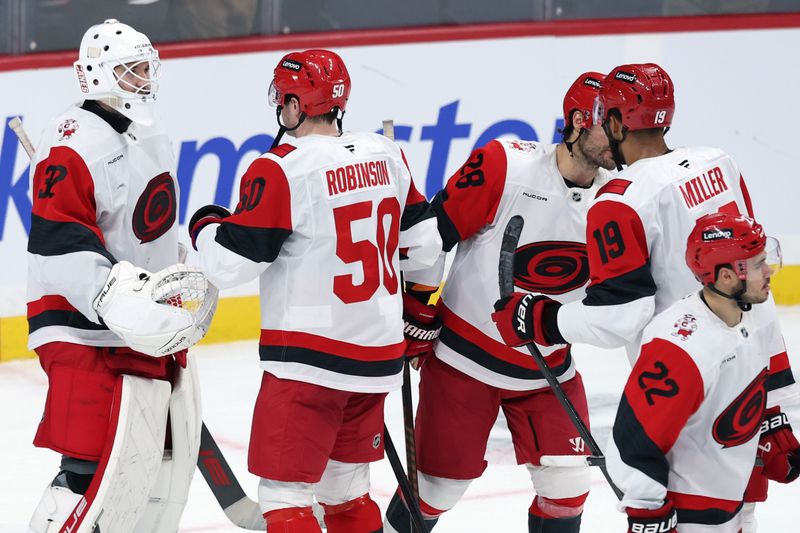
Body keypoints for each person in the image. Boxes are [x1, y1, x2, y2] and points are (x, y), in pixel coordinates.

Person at [491, 62, 799, 530]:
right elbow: (755, 280)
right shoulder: (720, 163)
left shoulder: (619, 198)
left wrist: (540, 318)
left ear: (615, 123)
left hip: (681, 384)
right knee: (740, 515)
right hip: (744, 373)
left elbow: (620, 318)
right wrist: (774, 406)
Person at [189, 49, 441, 533]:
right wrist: (419, 313)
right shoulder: (387, 154)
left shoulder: (281, 168)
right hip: (377, 356)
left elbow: (230, 265)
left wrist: (206, 227)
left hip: (308, 364)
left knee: (285, 498)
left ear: (295, 105)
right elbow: (427, 246)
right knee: (347, 492)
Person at [383, 72, 616, 533]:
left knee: (568, 487)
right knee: (434, 489)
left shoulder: (620, 197)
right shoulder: (504, 165)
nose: (618, 137)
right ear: (575, 121)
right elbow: (432, 237)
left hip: (549, 367)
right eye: (609, 125)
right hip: (465, 363)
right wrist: (419, 311)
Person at [26, 19, 214, 533]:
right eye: (131, 71)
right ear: (95, 76)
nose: (144, 79)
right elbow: (56, 242)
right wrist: (116, 295)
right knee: (89, 470)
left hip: (138, 327)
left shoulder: (148, 133)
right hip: (79, 327)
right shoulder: (71, 144)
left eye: (145, 69)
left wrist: (175, 273)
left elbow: (151, 228)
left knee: (143, 475)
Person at [605, 213, 799, 533]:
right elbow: (633, 442)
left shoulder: (759, 309)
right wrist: (647, 512)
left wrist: (770, 425)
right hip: (688, 514)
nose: (768, 272)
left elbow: (747, 385)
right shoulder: (678, 348)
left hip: (731, 502)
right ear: (726, 277)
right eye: (757, 264)